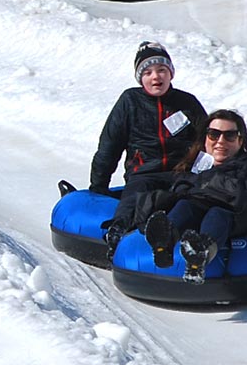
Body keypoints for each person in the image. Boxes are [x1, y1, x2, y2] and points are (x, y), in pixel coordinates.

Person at [139, 110, 247, 283]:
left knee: (216, 212)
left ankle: (201, 253)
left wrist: (227, 193)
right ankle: (165, 241)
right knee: (186, 205)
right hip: (196, 211)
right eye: (214, 134)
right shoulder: (192, 171)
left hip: (235, 215)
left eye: (229, 136)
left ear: (241, 141)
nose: (220, 141)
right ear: (205, 139)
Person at [89, 41, 208, 249]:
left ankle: (189, 241)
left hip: (181, 172)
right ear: (140, 78)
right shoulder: (130, 101)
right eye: (148, 72)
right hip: (144, 173)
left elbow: (206, 142)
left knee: (192, 198)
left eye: (162, 70)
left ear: (171, 74)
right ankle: (118, 232)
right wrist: (98, 186)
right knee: (136, 195)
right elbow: (110, 144)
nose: (156, 77)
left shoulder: (187, 103)